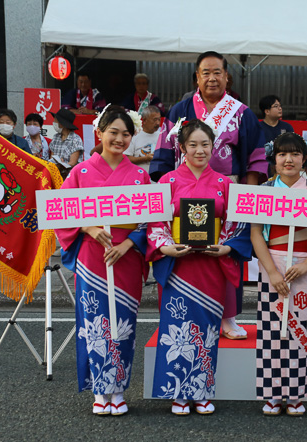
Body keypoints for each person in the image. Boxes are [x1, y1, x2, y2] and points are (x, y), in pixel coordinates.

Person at [151, 50, 267, 340]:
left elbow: (254, 159)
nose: (212, 78)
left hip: (226, 189)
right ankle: (178, 309)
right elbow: (166, 153)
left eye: (218, 72)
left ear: (227, 76)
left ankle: (228, 316)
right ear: (197, 77)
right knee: (186, 253)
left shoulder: (242, 113)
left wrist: (247, 198)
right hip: (184, 186)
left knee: (225, 250)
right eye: (206, 72)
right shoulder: (181, 109)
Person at [147, 120, 251, 415]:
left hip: (211, 266)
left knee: (207, 330)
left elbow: (238, 224)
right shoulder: (167, 181)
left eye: (205, 144)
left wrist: (228, 247)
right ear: (181, 148)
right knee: (177, 330)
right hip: (179, 267)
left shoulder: (225, 183)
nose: (199, 150)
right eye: (192, 144)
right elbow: (156, 224)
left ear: (213, 146)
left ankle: (202, 390)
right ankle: (178, 392)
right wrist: (165, 247)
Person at [55, 107, 150, 416]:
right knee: (94, 324)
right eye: (114, 132)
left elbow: (151, 220)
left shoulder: (140, 175)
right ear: (100, 133)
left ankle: (119, 388)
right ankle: (100, 389)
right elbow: (60, 211)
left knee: (122, 324)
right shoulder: (80, 172)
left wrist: (129, 244)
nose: (120, 139)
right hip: (93, 257)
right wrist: (88, 226)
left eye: (126, 134)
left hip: (126, 258)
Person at [250, 133, 307, 417]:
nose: (288, 160)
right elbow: (255, 233)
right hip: (271, 263)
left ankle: (297, 393)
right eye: (282, 154)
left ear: (305, 158)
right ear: (273, 159)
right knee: (271, 329)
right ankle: (273, 393)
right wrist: (272, 272)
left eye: (295, 154)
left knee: (301, 329)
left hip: (306, 265)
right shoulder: (263, 192)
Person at [124, 105, 161, 172]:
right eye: (155, 120)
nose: (158, 123)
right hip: (138, 178)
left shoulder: (162, 136)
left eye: (159, 119)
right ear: (144, 120)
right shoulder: (134, 135)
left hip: (156, 180)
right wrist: (144, 158)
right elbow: (126, 158)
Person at [48, 108, 84, 177]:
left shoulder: (76, 139)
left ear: (61, 124)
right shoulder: (56, 137)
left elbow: (73, 163)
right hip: (55, 175)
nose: (54, 122)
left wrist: (61, 164)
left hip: (70, 176)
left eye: (55, 120)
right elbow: (51, 158)